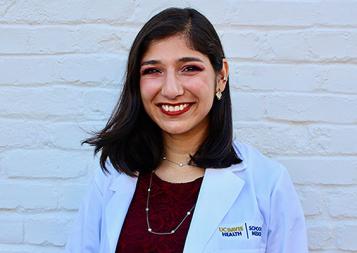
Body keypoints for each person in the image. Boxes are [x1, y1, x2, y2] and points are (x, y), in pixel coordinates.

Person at [65, 7, 308, 253]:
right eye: (153, 70)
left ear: (221, 76)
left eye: (189, 68)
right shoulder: (112, 174)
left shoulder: (268, 182)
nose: (171, 90)